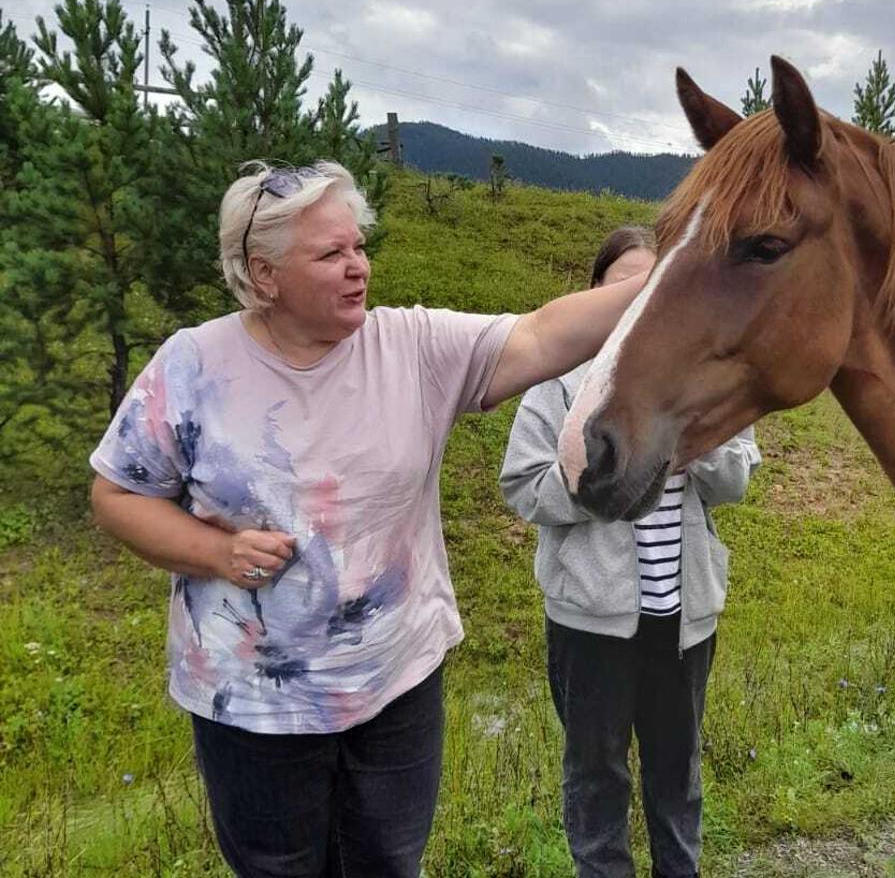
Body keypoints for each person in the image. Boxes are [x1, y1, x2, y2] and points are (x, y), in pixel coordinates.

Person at [87, 161, 648, 878]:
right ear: (263, 276)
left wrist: (665, 283)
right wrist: (213, 553)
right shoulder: (194, 365)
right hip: (254, 707)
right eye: (330, 254)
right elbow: (117, 496)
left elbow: (539, 337)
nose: (358, 268)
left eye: (358, 247)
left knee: (388, 863)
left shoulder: (410, 347)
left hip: (395, 686)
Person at [500, 227, 761, 878]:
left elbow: (734, 485)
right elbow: (522, 486)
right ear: (595, 294)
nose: (640, 297)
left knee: (678, 772)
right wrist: (593, 481)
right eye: (625, 284)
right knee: (595, 777)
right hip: (590, 625)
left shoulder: (707, 376)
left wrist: (693, 439)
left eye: (655, 283)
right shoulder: (560, 380)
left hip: (683, 621)